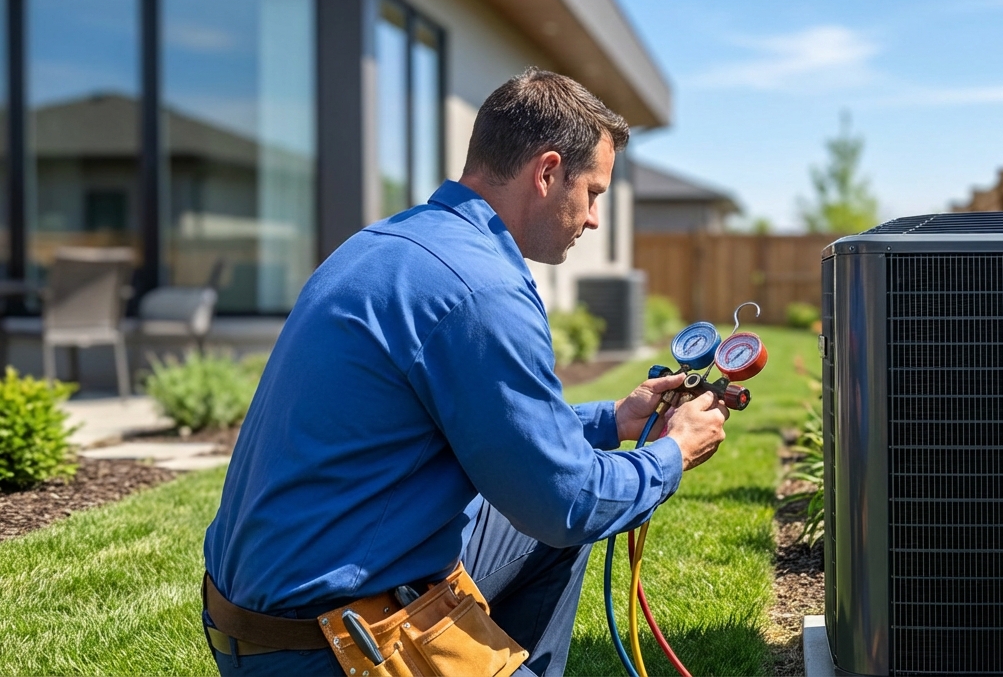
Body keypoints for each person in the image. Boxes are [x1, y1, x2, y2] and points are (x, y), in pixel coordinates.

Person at [201, 68, 730, 677]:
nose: (593, 220)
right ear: (547, 172)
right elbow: (568, 503)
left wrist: (614, 420)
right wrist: (672, 451)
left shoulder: (389, 243)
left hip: (258, 611)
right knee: (562, 514)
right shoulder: (480, 290)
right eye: (593, 193)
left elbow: (495, 432)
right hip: (329, 644)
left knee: (539, 525)